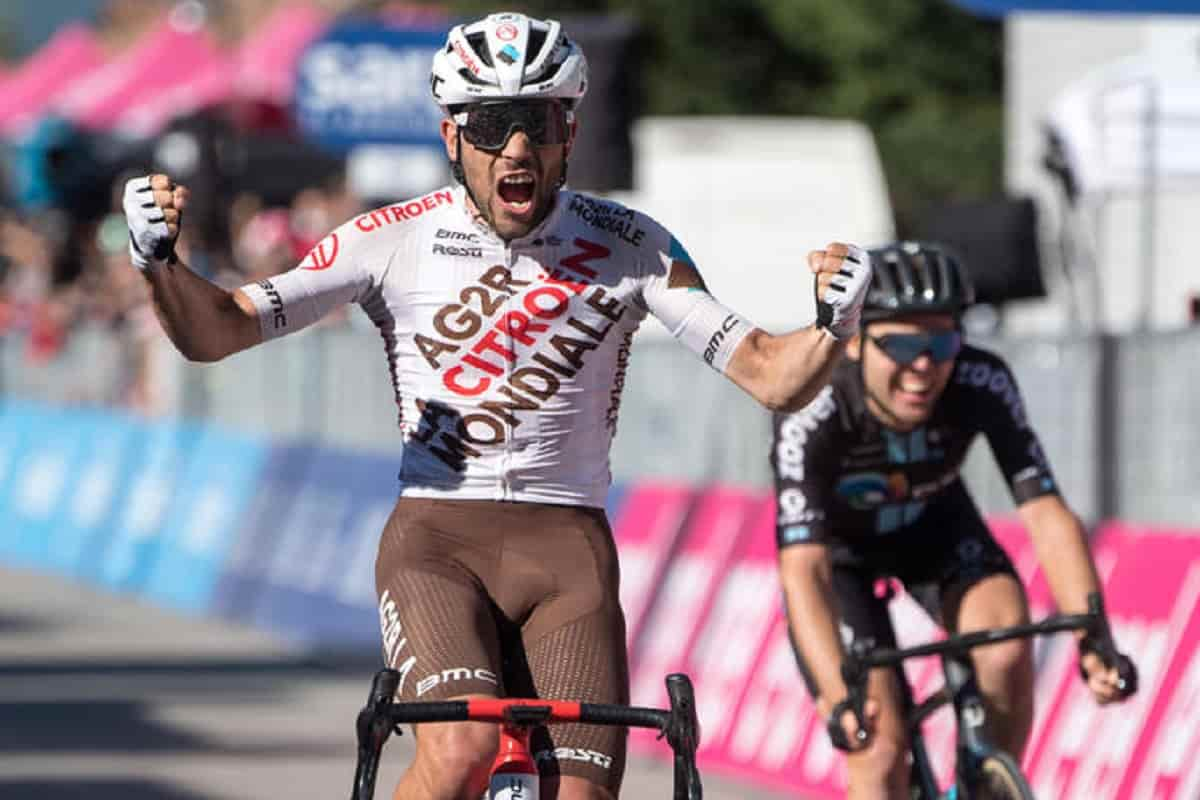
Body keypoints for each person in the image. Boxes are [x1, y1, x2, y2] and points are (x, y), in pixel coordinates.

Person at [122, 12, 873, 800]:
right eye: (491, 124)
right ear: (452, 137)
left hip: (570, 554)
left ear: (568, 132)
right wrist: (158, 265)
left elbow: (769, 373)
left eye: (536, 121)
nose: (515, 147)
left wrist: (832, 324)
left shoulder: (635, 245)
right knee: (461, 752)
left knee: (582, 795)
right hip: (438, 545)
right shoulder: (390, 238)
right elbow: (220, 332)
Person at [770, 241, 1135, 799]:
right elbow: (804, 570)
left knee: (1007, 646)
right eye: (902, 345)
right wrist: (835, 694)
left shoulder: (979, 379)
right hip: (839, 560)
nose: (925, 366)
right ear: (855, 341)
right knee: (877, 744)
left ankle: (988, 780)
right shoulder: (813, 406)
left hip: (933, 530)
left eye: (942, 342)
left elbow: (1046, 512)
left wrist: (1094, 637)